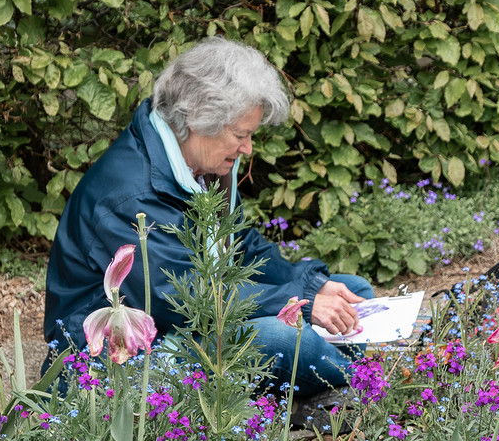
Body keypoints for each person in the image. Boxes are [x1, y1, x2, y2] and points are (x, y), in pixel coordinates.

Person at [43, 37, 371, 403]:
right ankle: (362, 381)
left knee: (349, 290)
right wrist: (303, 304)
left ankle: (316, 384)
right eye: (241, 135)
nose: (248, 148)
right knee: (282, 338)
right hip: (118, 364)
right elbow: (183, 299)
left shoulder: (202, 163)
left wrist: (311, 288)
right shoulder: (128, 195)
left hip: (198, 324)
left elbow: (242, 250)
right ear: (199, 119)